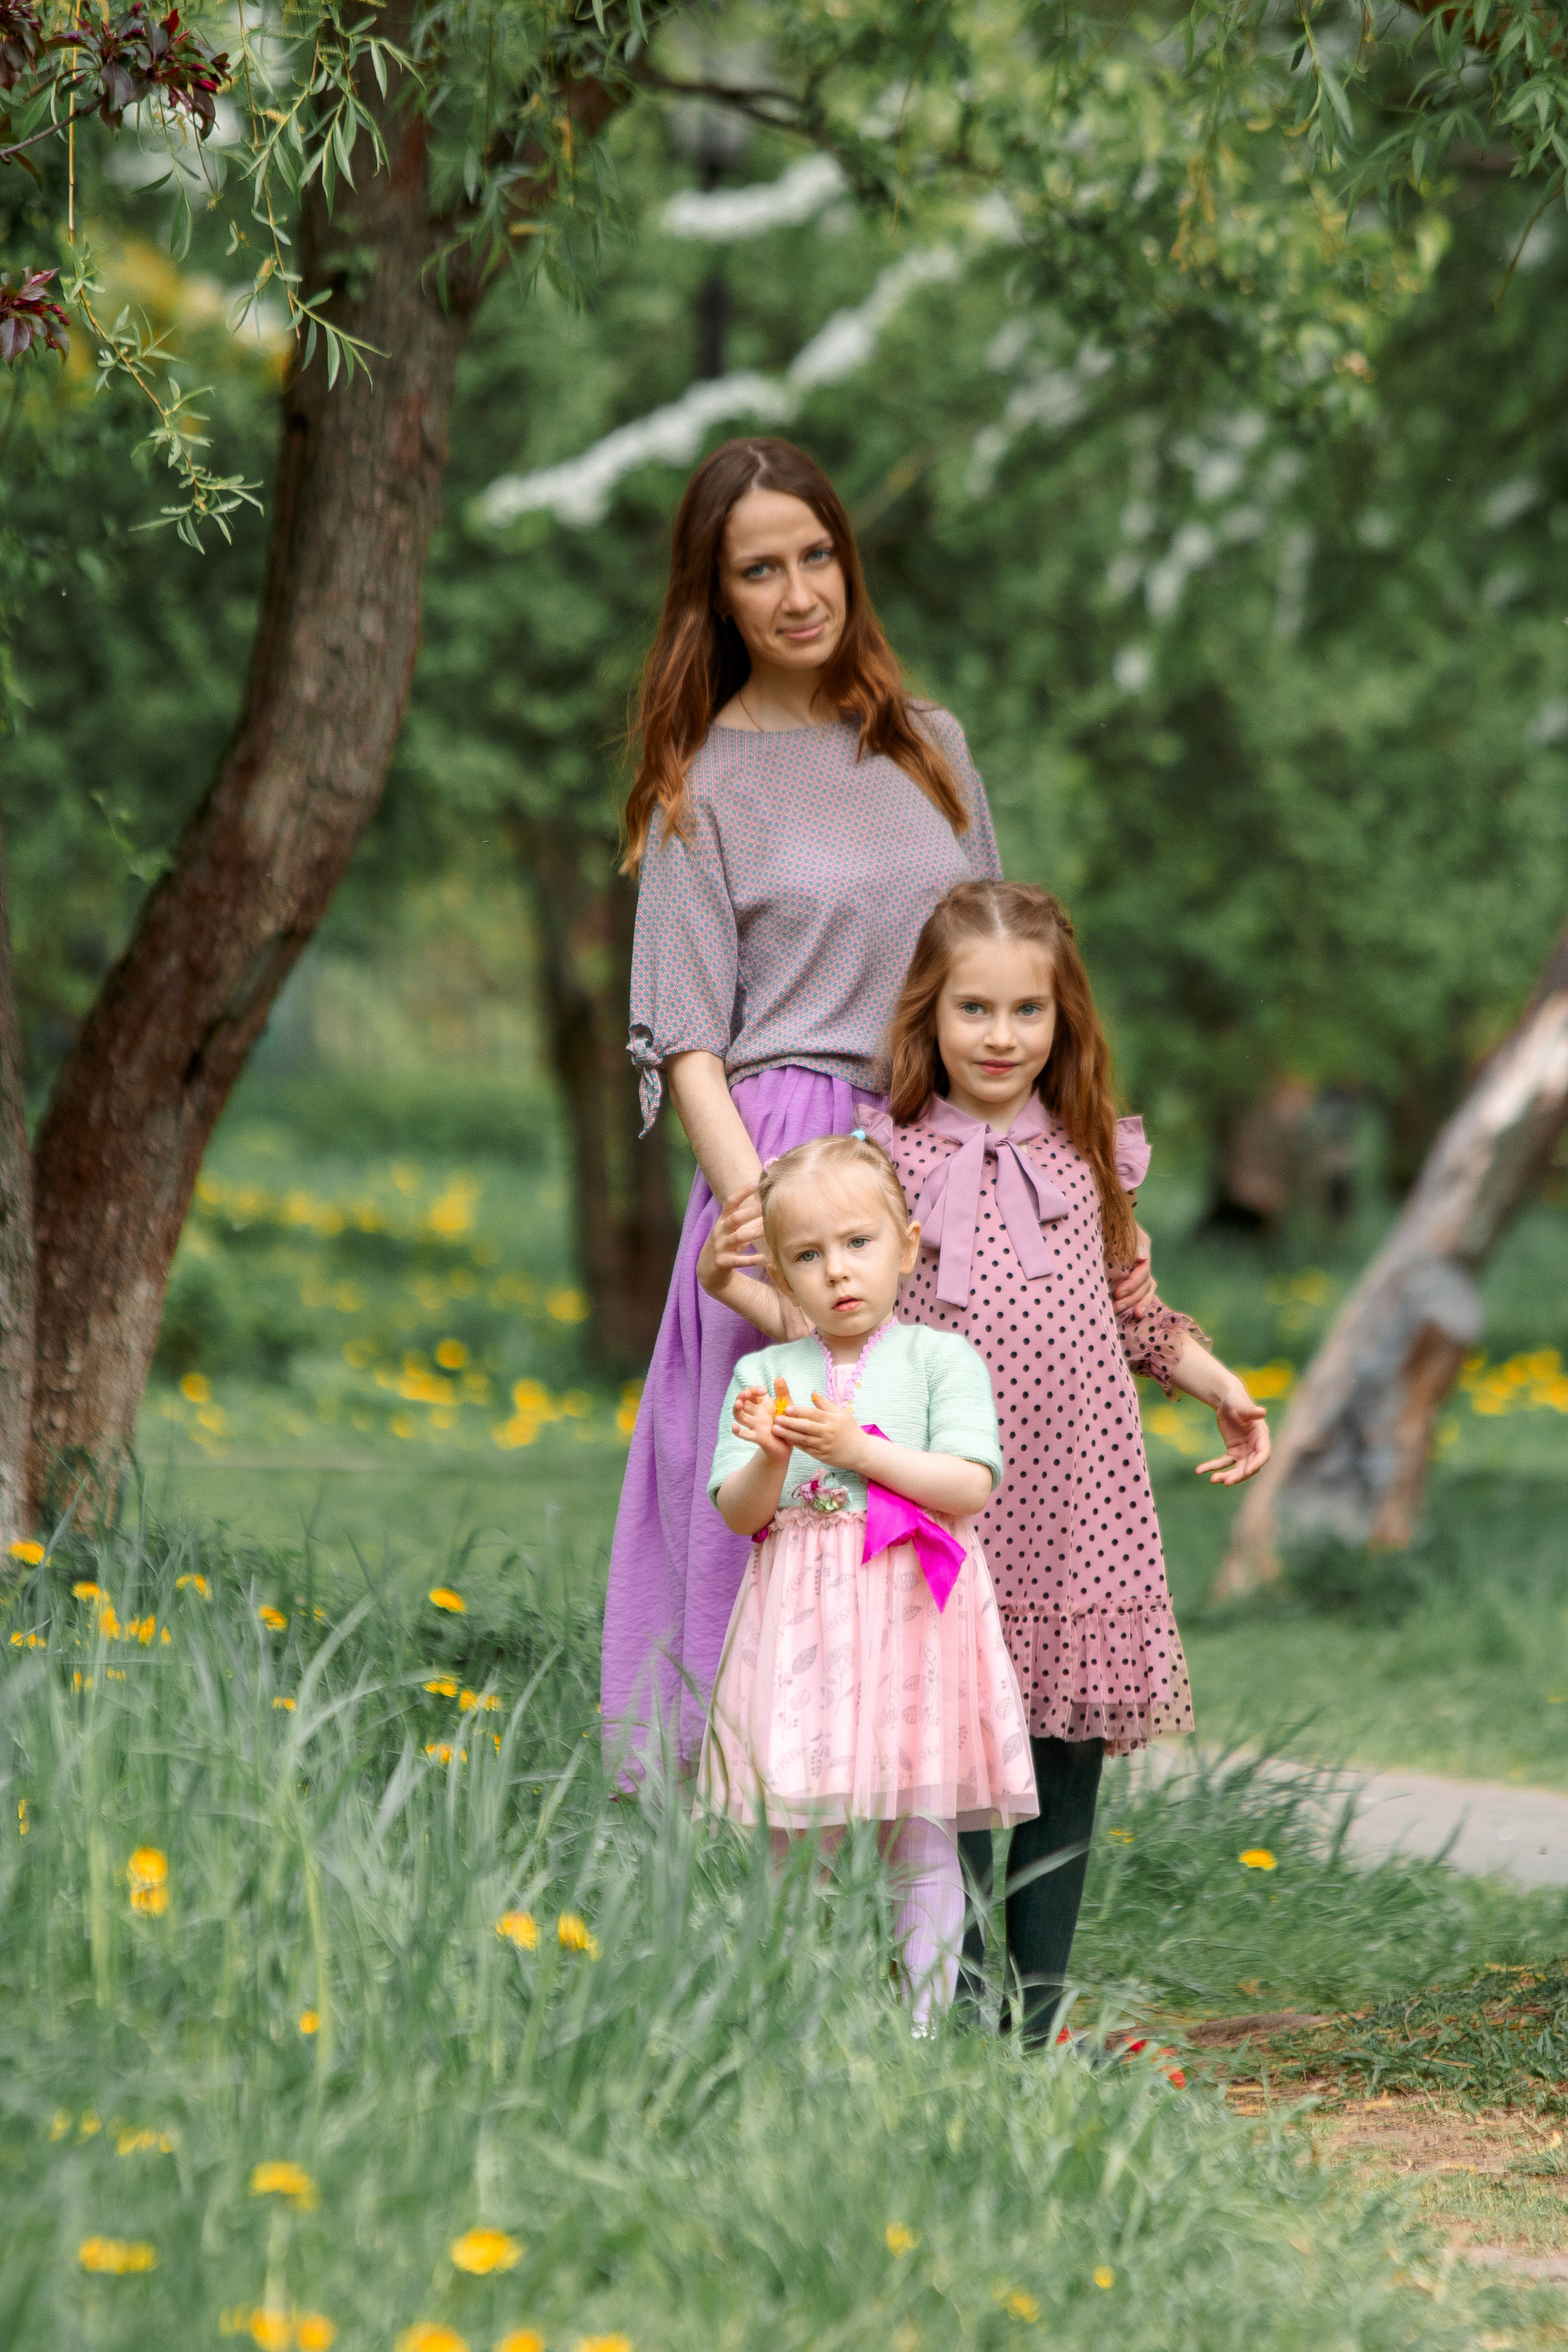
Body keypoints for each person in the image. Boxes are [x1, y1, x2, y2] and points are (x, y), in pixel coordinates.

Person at [603, 435, 1156, 1769]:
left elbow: (1000, 966)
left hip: (942, 1162)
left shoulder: (929, 750)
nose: (796, 593)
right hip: (787, 1161)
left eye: (815, 557)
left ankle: (944, 1904)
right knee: (788, 1525)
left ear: (847, 563)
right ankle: (755, 1908)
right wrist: (765, 1221)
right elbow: (685, 1042)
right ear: (713, 597)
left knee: (938, 1508)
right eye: (757, 570)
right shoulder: (701, 783)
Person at [703, 879, 1271, 2043]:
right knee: (948, 1745)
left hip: (1082, 1494)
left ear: (1064, 1020)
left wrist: (1221, 1387)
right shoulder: (884, 1153)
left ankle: (1034, 2021)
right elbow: (837, 1323)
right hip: (940, 1504)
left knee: (1061, 1754)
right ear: (931, 1014)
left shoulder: (1093, 1155)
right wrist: (738, 1289)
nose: (1002, 1037)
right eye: (975, 1010)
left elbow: (1137, 1313)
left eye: (1028, 1011)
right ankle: (953, 2007)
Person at [697, 1129, 1038, 2031]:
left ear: (906, 1246)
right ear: (780, 1271)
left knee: (918, 1834)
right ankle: (790, 2014)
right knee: (790, 1834)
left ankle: (923, 2025)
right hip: (802, 1622)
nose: (837, 1272)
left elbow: (971, 1483)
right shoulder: (766, 1372)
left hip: (909, 1618)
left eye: (858, 1244)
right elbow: (740, 1513)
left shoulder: (940, 1360)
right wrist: (771, 1456)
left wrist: (859, 1453)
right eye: (807, 1256)